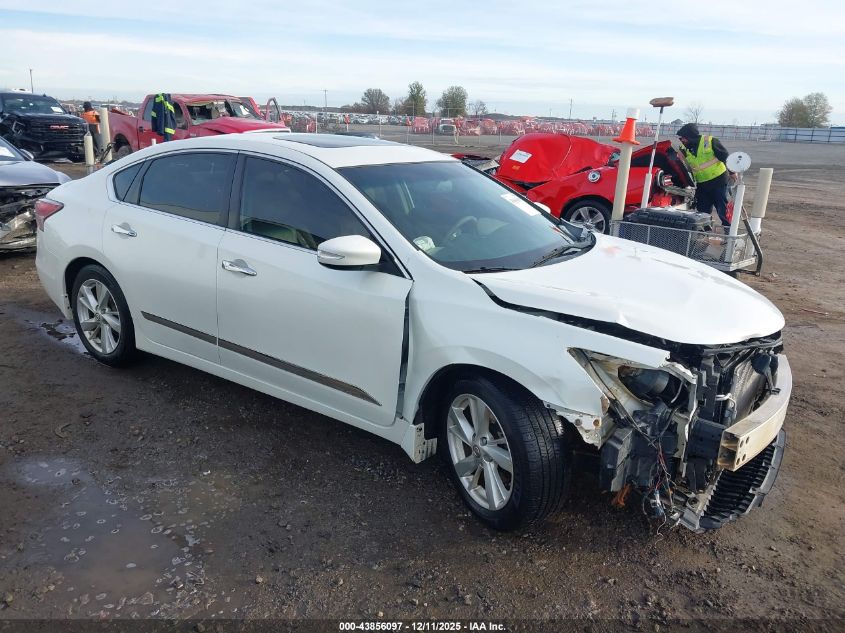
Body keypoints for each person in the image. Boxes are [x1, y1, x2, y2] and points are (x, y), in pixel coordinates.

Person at [676, 123, 735, 227]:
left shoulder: (710, 141)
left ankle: (728, 231)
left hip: (718, 181)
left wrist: (732, 172)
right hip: (702, 184)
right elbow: (681, 164)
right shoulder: (683, 148)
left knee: (722, 208)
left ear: (690, 137)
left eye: (683, 138)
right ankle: (703, 233)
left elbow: (725, 156)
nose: (682, 141)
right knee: (702, 211)